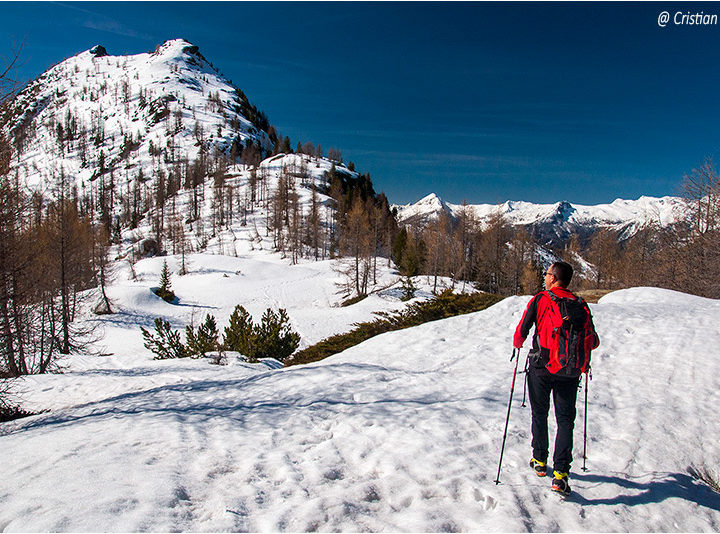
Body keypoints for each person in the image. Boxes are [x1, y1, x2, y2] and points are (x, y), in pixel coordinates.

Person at [513, 261, 599, 495]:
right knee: (565, 420)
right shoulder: (579, 304)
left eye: (547, 273)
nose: (545, 276)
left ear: (554, 278)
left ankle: (540, 460)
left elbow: (521, 332)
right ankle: (561, 474)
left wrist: (517, 345)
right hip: (570, 371)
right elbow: (594, 340)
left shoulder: (541, 299)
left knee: (540, 413)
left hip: (542, 367)